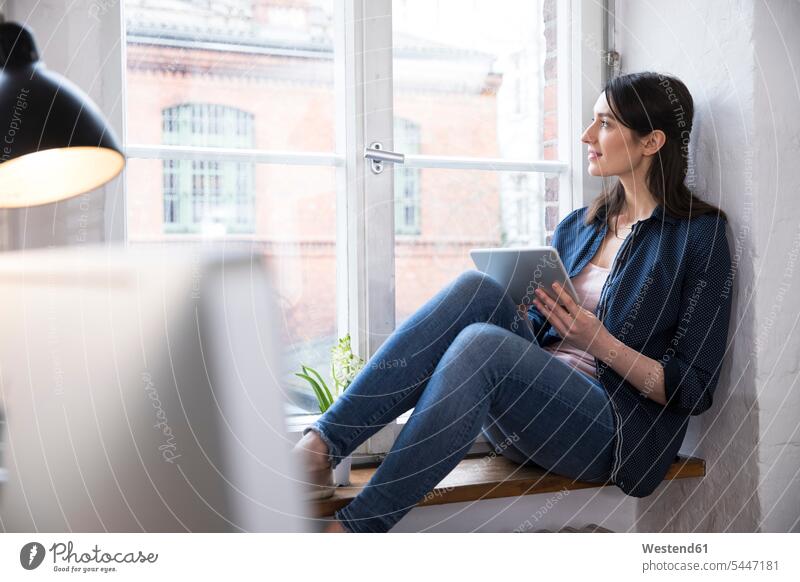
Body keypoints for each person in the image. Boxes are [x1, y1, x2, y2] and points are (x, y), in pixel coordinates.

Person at [293, 71, 734, 533]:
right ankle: (321, 448)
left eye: (605, 123)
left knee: (483, 345)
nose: (587, 136)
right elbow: (536, 339)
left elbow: (694, 389)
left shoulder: (698, 239)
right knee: (476, 290)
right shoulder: (579, 226)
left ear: (651, 142)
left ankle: (355, 531)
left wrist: (598, 341)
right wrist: (529, 311)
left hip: (613, 434)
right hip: (531, 411)